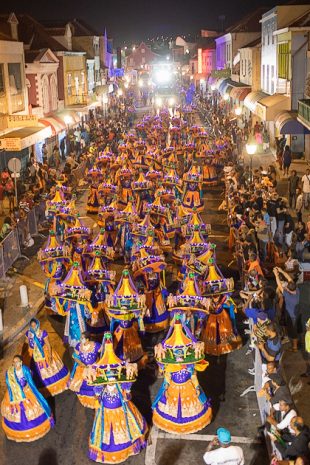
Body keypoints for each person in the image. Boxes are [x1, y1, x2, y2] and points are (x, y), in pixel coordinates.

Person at [1, 354, 54, 441]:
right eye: (14, 362)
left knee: (32, 408)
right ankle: (17, 432)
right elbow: (9, 383)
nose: (15, 364)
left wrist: (26, 388)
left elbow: (30, 383)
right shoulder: (10, 372)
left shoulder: (25, 370)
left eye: (17, 362)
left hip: (26, 393)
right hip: (14, 395)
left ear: (21, 363)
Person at [24, 318, 70, 396]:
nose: (33, 328)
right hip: (33, 354)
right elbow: (26, 343)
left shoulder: (42, 333)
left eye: (34, 326)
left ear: (38, 325)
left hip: (43, 353)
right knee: (35, 372)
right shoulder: (28, 333)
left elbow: (48, 344)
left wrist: (50, 354)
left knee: (48, 369)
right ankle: (40, 389)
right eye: (32, 326)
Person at [274, 267, 300, 352]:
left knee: (293, 332)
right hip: (295, 314)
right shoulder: (297, 290)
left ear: (288, 289)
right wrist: (281, 271)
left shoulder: (287, 295)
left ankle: (295, 347)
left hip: (291, 316)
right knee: (294, 330)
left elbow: (279, 286)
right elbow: (289, 279)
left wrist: (276, 275)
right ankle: (294, 342)